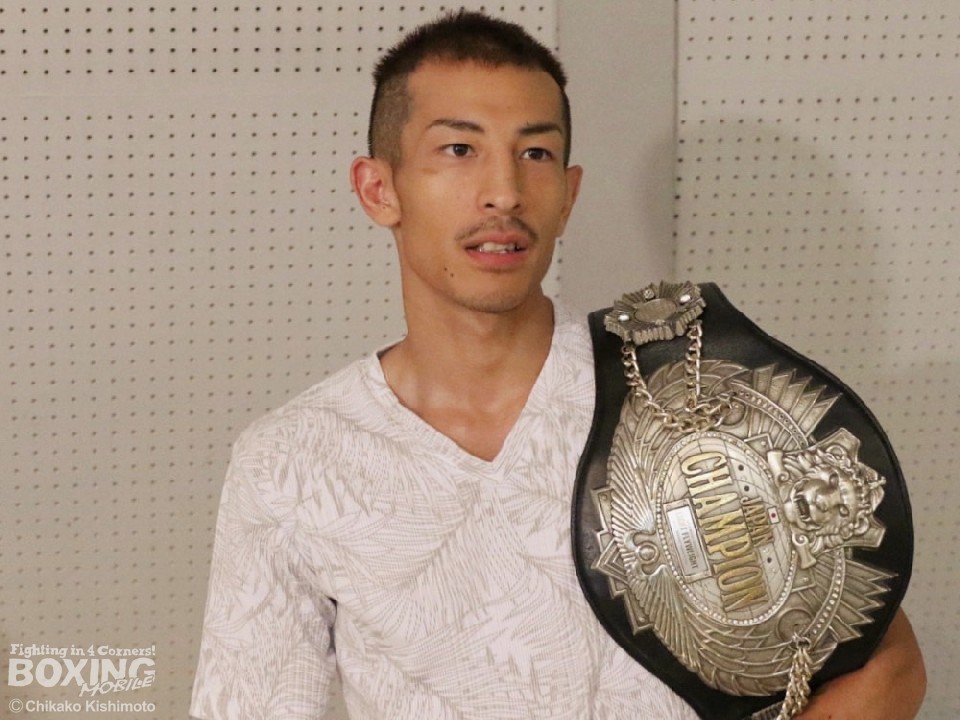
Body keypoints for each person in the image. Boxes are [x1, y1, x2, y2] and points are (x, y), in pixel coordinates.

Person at [190, 10, 925, 720]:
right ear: (379, 189)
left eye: (534, 153)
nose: (505, 192)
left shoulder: (679, 385)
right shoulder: (292, 462)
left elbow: (885, 661)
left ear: (568, 195)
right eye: (459, 150)